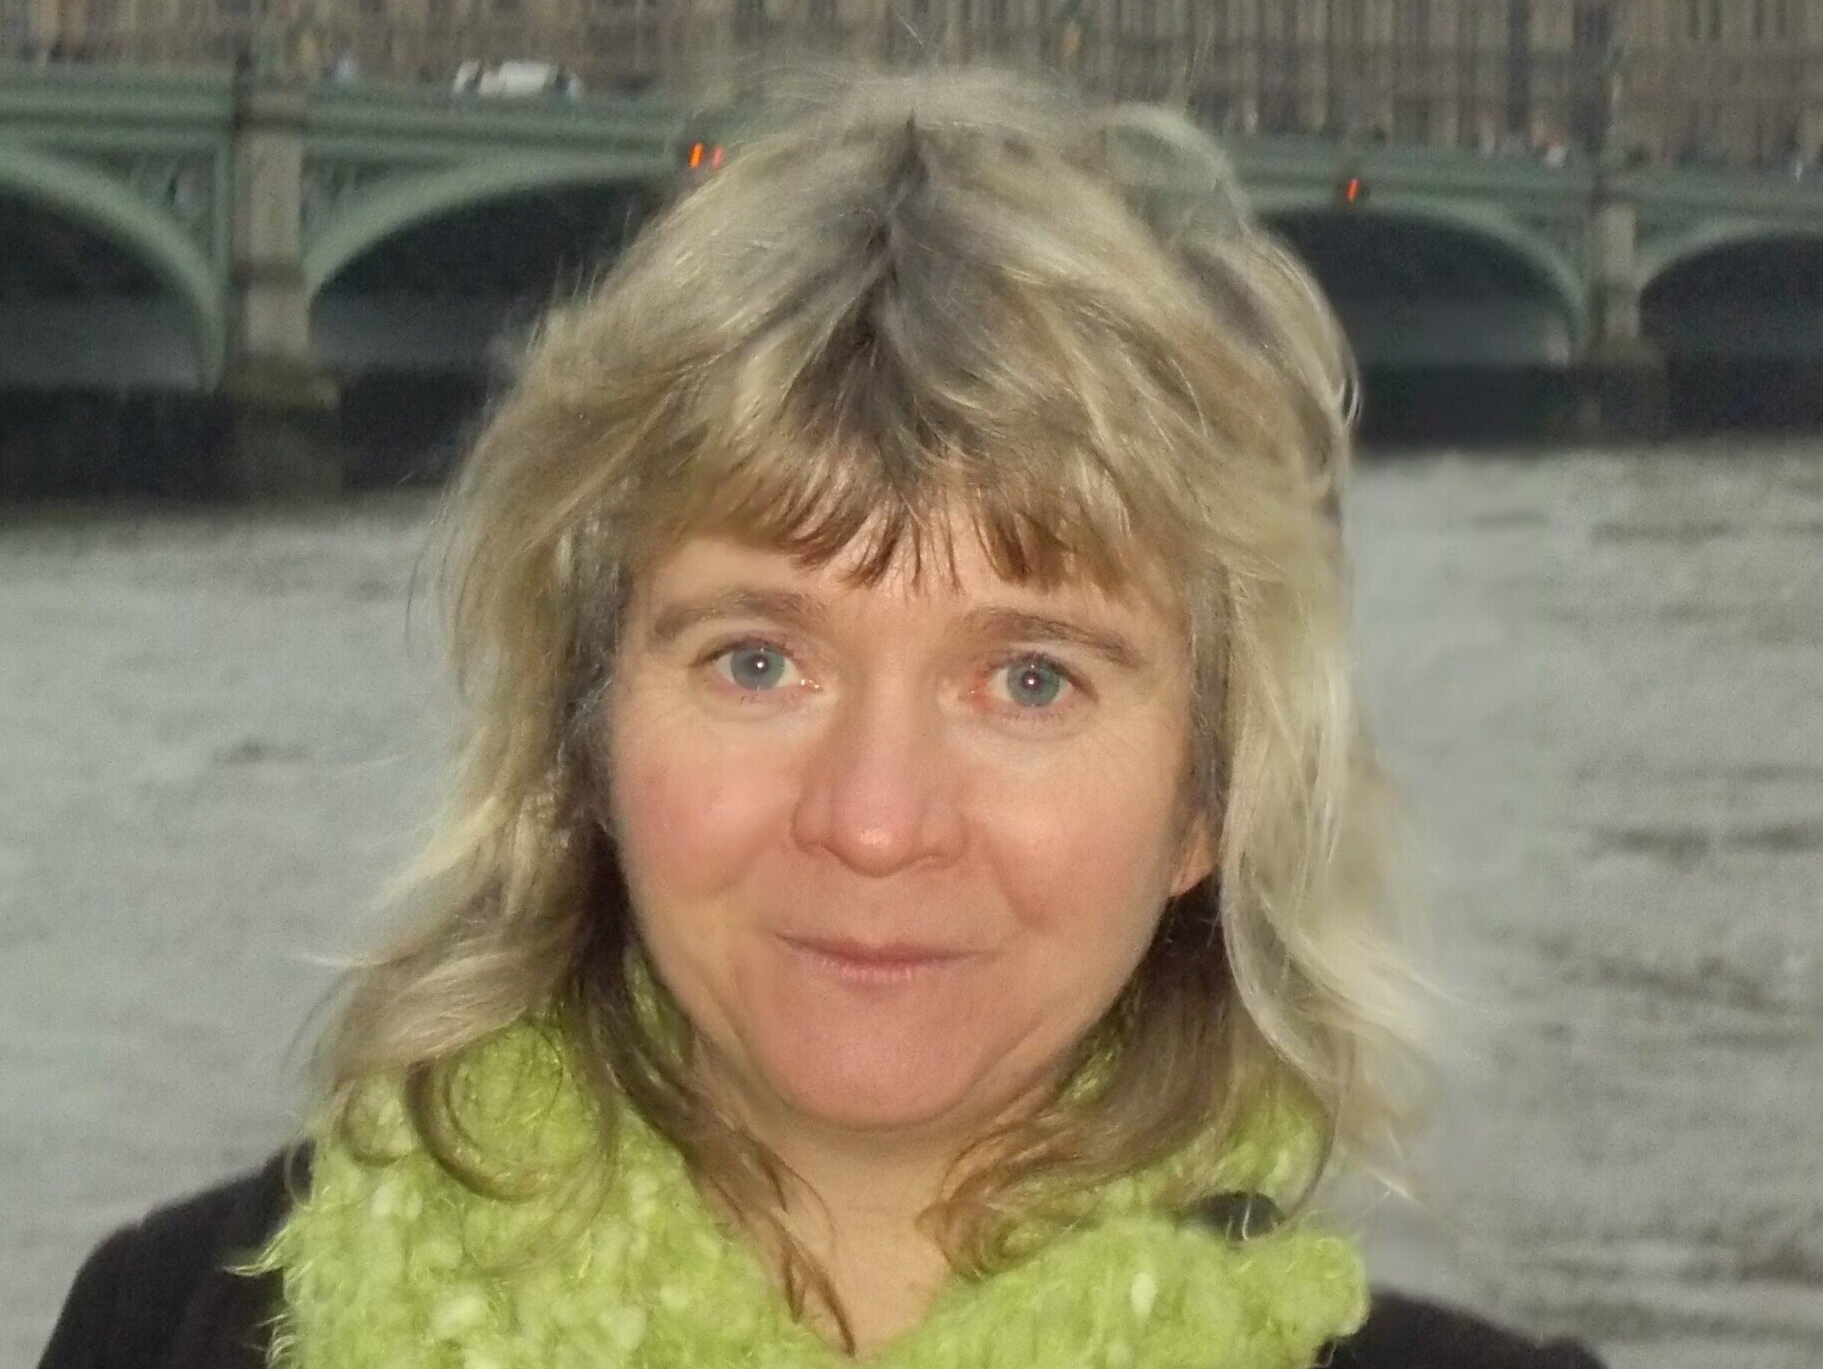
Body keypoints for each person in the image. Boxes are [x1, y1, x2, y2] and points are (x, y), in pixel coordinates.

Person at [40, 69, 1606, 1369]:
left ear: (1208, 796)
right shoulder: (171, 1330)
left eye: (1031, 677)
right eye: (756, 661)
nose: (871, 815)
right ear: (585, 730)